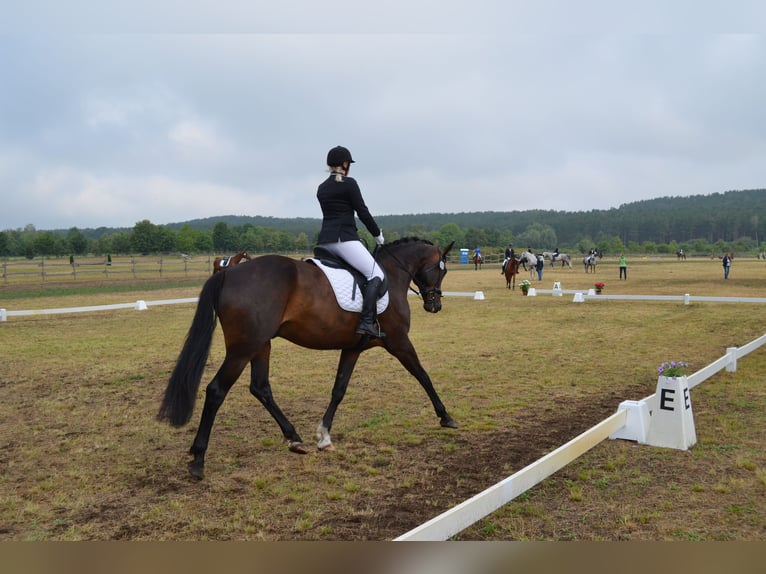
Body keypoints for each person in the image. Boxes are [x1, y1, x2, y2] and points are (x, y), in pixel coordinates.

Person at [316, 145, 386, 338]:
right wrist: (377, 234)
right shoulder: (349, 183)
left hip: (324, 242)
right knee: (375, 274)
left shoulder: (322, 188)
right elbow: (362, 212)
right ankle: (366, 322)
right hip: (344, 239)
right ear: (345, 164)